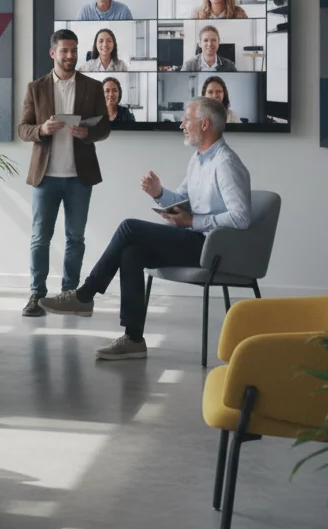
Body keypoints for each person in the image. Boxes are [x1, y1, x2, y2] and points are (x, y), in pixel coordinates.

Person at [39, 97, 252, 360]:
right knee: (132, 252)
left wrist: (194, 222)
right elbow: (183, 200)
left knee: (129, 227)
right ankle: (133, 339)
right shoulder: (198, 160)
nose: (182, 125)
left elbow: (242, 217)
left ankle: (85, 295)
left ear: (205, 124)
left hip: (212, 249)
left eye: (187, 119)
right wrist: (160, 194)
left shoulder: (226, 163)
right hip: (194, 238)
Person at [16, 29, 112, 317]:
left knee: (75, 238)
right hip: (45, 176)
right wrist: (41, 130)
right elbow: (23, 128)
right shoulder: (36, 88)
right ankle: (37, 294)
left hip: (79, 177)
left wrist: (88, 133)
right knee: (39, 238)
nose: (70, 56)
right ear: (53, 53)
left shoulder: (92, 87)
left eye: (74, 50)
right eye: (64, 51)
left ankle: (71, 294)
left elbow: (105, 127)